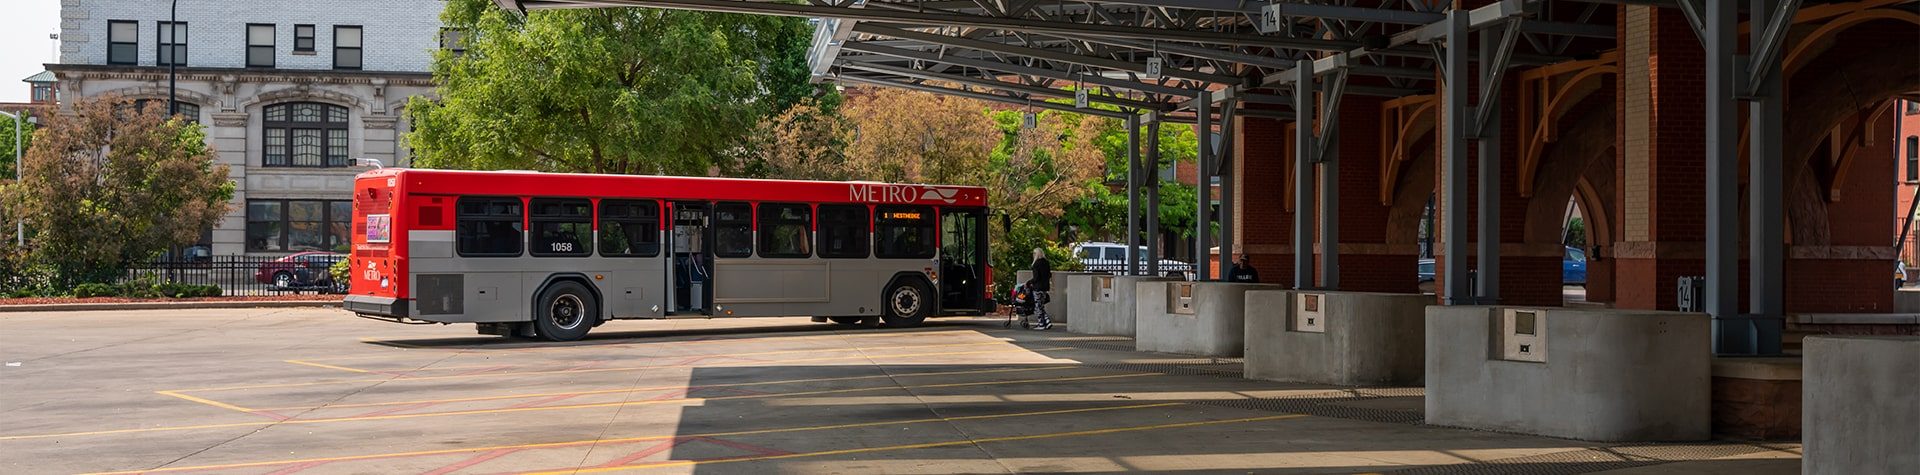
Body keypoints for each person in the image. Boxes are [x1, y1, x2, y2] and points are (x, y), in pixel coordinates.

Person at [1028, 247, 1053, 330]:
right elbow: (1049, 274)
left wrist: (1029, 282)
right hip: (1045, 287)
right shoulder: (1046, 263)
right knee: (1041, 306)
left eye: (1033, 254)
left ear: (1036, 254)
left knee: (1038, 307)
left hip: (1038, 288)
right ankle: (1047, 321)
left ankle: (1041, 324)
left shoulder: (1036, 264)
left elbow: (1036, 278)